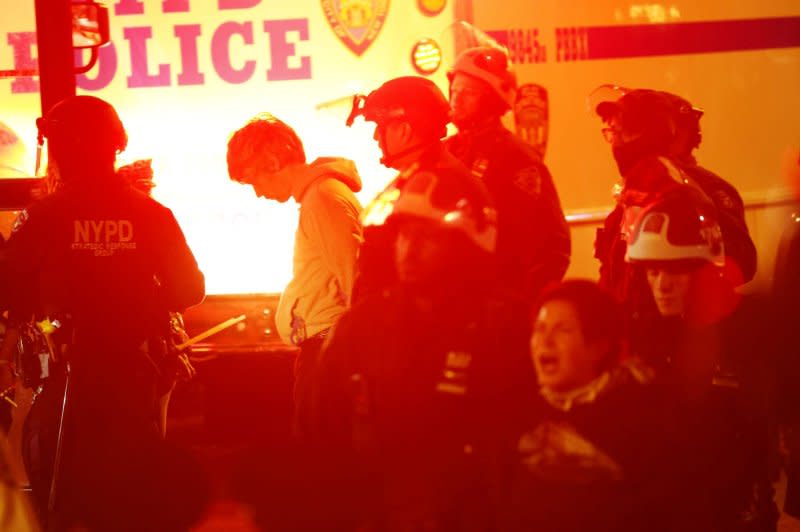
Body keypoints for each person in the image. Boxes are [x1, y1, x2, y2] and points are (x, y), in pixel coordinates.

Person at [3, 95, 208, 531]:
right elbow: (189, 289)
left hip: (62, 379)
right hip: (136, 372)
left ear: (61, 147)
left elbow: (8, 291)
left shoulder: (45, 216)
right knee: (133, 492)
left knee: (57, 492)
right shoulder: (152, 214)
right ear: (115, 144)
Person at [313, 166, 534, 530]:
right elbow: (324, 434)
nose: (409, 250)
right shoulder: (363, 326)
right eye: (403, 236)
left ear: (465, 245)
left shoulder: (508, 325)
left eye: (426, 237)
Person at [625, 188, 779, 531]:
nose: (661, 285)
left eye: (674, 272)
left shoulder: (751, 330)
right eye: (652, 272)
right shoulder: (652, 338)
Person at [226, 114, 363, 442]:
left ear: (272, 161)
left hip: (328, 351)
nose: (258, 193)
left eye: (253, 180)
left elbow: (355, 278)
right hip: (326, 347)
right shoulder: (320, 197)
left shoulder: (322, 199)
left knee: (321, 454)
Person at [505, 279, 676, 532]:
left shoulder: (640, 417)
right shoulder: (518, 413)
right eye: (539, 329)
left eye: (562, 330)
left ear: (599, 347)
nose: (545, 341)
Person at [593, 86, 756, 301]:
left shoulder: (696, 191)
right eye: (613, 132)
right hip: (636, 329)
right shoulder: (630, 195)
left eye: (626, 131)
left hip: (679, 326)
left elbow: (741, 261)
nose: (617, 142)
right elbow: (614, 274)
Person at [445, 45, 570, 301]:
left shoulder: (517, 159)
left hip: (498, 308)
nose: (456, 99)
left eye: (468, 92)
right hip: (454, 305)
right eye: (454, 90)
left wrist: (519, 303)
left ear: (492, 99)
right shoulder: (448, 151)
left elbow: (551, 245)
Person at [345, 75, 474, 303]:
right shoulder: (423, 179)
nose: (376, 137)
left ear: (404, 130)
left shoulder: (438, 186)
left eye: (380, 126)